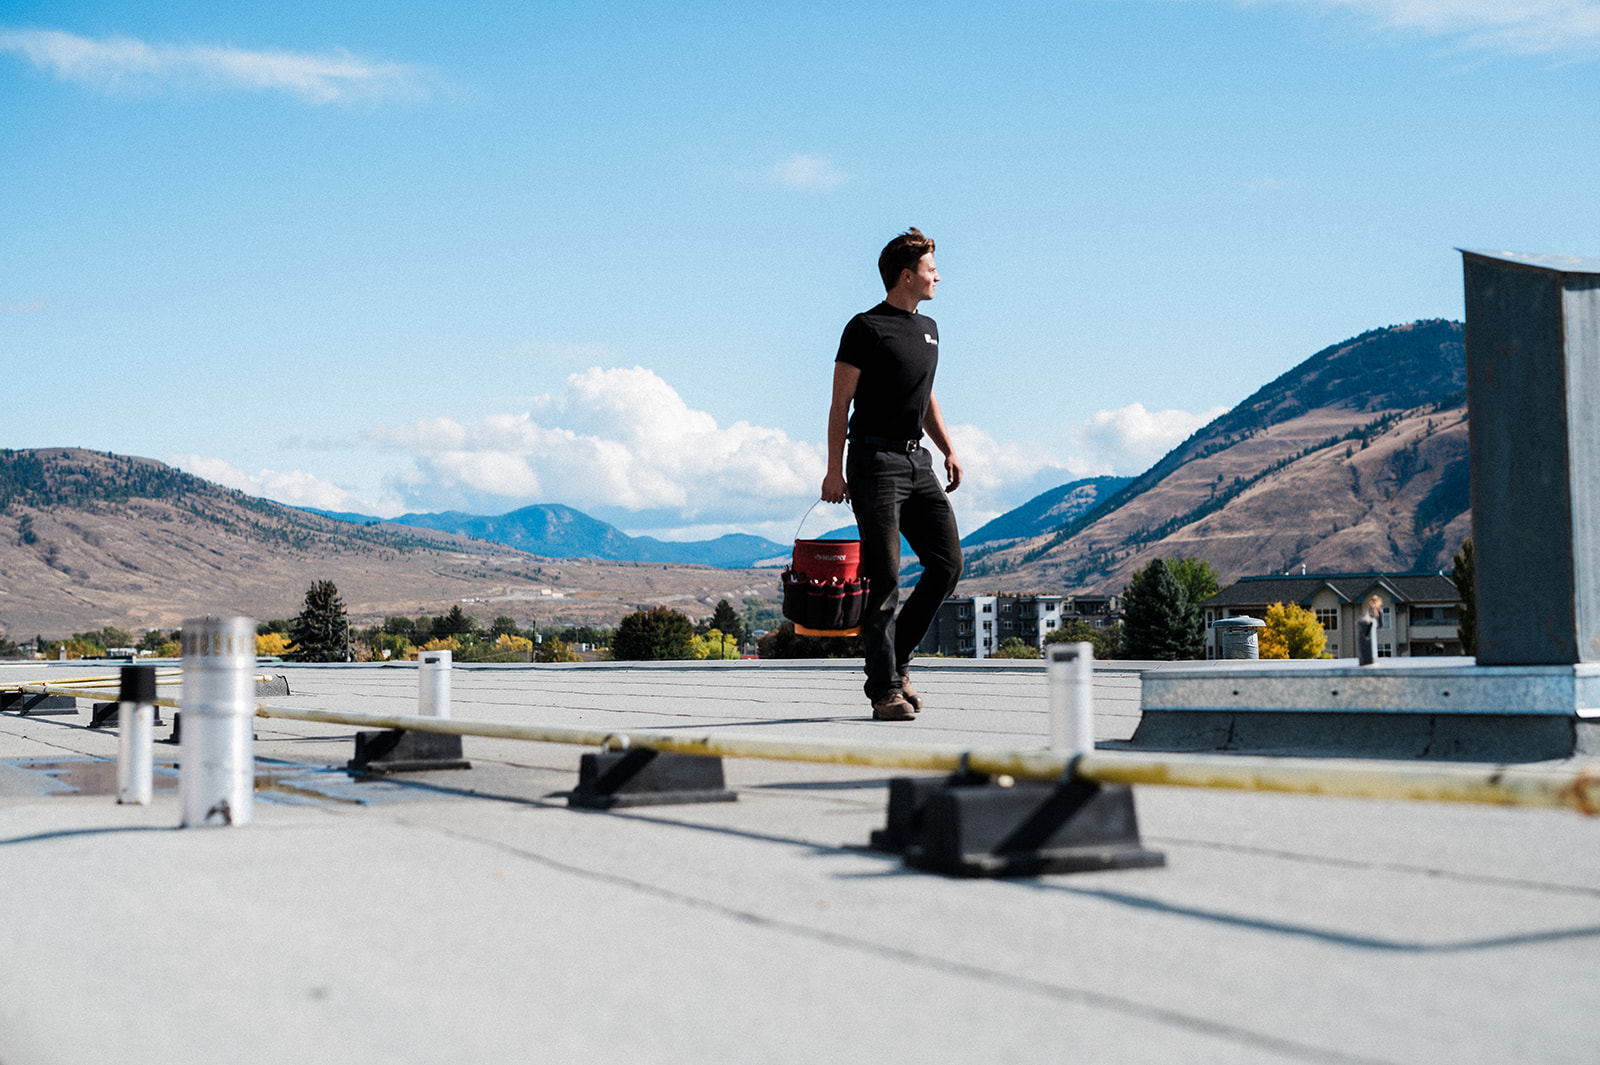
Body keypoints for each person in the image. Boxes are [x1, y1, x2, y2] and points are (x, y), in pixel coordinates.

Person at [821, 228, 964, 721]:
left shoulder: (931, 330)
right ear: (907, 275)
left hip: (916, 461)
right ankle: (884, 690)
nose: (938, 276)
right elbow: (841, 403)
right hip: (873, 463)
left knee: (947, 565)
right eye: (930, 269)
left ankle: (896, 662)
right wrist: (833, 471)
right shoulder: (865, 328)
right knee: (884, 578)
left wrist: (947, 448)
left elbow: (926, 398)